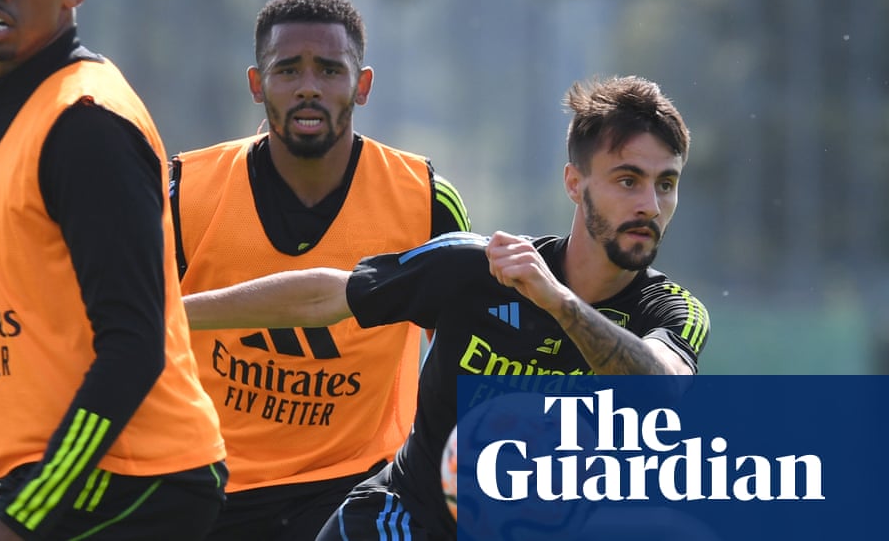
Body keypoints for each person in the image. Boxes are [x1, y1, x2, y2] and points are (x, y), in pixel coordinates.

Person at [183, 75, 710, 540]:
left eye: (666, 184)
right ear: (575, 183)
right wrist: (172, 315)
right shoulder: (476, 268)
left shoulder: (672, 312)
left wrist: (558, 301)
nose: (650, 205)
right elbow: (326, 296)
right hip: (402, 522)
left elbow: (661, 387)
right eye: (627, 180)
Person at [0, 0, 226, 539]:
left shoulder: (85, 124)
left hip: (131, 477)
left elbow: (134, 344)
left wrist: (21, 518)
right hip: (79, 477)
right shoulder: (30, 112)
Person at [169, 0, 470, 541]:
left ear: (363, 85)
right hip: (205, 482)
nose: (309, 87)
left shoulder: (425, 199)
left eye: (330, 70)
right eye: (287, 70)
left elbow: (463, 354)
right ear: (257, 84)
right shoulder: (185, 191)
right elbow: (132, 333)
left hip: (358, 488)